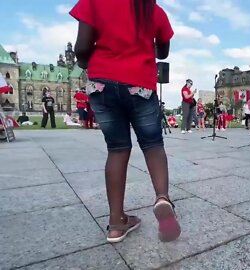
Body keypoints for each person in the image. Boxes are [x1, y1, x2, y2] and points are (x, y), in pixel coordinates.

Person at [71, 0, 180, 243]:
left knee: (117, 149)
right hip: (139, 82)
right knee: (152, 145)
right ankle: (162, 198)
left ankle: (116, 223)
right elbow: (163, 51)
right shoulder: (153, 9)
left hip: (102, 82)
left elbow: (81, 48)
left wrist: (87, 62)